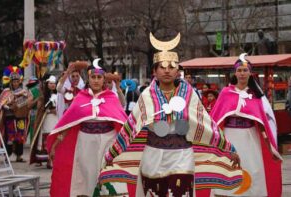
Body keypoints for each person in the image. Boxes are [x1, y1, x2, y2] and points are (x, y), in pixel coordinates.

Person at [103, 33, 245, 197]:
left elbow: (205, 123)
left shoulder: (188, 93)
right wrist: (112, 153)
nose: (167, 71)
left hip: (182, 154)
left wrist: (229, 149)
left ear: (178, 70)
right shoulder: (147, 96)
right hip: (153, 156)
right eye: (162, 67)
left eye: (171, 67)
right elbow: (131, 126)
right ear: (154, 71)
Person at [46, 63, 127, 197]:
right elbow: (70, 123)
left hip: (108, 141)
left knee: (107, 176)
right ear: (88, 79)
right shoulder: (80, 97)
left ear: (103, 79)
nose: (96, 80)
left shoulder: (111, 97)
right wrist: (56, 143)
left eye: (99, 77)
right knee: (87, 177)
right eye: (93, 77)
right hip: (85, 142)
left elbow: (121, 121)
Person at [210, 53, 282, 197]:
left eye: (245, 70)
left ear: (250, 73)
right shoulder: (226, 93)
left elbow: (263, 122)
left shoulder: (256, 95)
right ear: (235, 73)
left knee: (252, 168)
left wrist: (270, 147)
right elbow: (215, 119)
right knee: (228, 169)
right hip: (230, 137)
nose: (242, 73)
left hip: (250, 137)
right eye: (239, 70)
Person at [0, 65, 30, 162]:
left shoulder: (23, 92)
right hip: (9, 117)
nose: (15, 83)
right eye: (13, 81)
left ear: (19, 82)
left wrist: (17, 102)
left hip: (20, 117)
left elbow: (25, 102)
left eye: (17, 81)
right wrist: (8, 106)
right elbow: (1, 103)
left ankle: (19, 156)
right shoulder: (6, 92)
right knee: (9, 137)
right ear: (10, 82)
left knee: (20, 136)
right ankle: (7, 156)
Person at [30, 75, 58, 169]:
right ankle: (49, 161)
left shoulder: (59, 95)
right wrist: (49, 110)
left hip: (57, 120)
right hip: (47, 120)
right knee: (48, 139)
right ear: (47, 84)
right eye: (50, 83)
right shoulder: (43, 96)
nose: (52, 85)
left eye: (54, 83)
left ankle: (54, 160)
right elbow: (40, 109)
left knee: (55, 139)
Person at [26, 76, 41, 143]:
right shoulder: (31, 91)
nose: (32, 87)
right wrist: (37, 99)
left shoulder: (44, 89)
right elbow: (29, 105)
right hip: (33, 114)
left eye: (34, 85)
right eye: (31, 85)